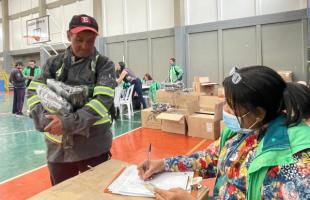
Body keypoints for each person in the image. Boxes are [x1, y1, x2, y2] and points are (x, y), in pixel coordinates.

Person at [138, 66, 310, 200]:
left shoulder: (293, 164)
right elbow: (210, 159)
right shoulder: (241, 132)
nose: (225, 110)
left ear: (258, 113)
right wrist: (163, 164)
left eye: (231, 105)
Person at [26, 14, 116, 185]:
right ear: (69, 35)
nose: (84, 45)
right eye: (79, 39)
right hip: (58, 152)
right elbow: (32, 91)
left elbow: (102, 102)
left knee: (96, 194)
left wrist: (66, 123)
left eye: (90, 41)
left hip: (94, 147)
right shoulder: (52, 64)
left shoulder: (104, 65)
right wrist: (44, 121)